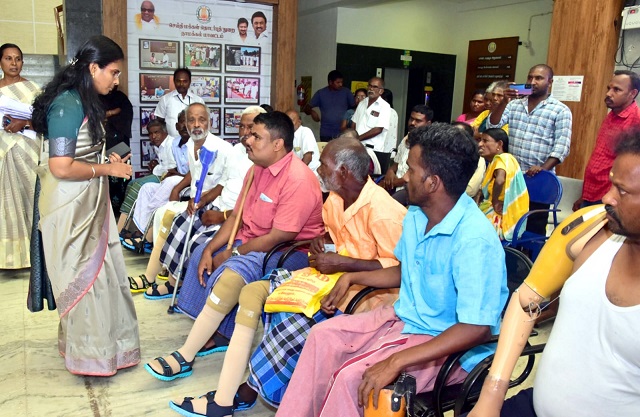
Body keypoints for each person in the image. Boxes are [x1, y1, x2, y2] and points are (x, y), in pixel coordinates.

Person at [276, 123, 507, 417]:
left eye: (411, 170)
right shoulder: (417, 215)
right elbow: (404, 271)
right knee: (322, 337)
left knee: (352, 379)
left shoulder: (474, 240)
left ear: (432, 183)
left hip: (451, 348)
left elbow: (476, 328)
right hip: (407, 319)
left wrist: (398, 360)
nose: (403, 177)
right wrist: (351, 277)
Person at [466, 131, 640, 417]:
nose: (607, 197)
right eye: (611, 183)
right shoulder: (586, 228)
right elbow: (526, 302)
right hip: (533, 407)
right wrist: (491, 395)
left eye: (622, 191)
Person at [243, 137, 407, 408]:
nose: (318, 170)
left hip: (369, 299)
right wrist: (322, 241)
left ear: (343, 172)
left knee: (293, 325)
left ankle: (260, 389)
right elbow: (337, 236)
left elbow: (398, 269)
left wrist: (344, 264)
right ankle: (286, 387)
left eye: (323, 165)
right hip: (335, 282)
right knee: (275, 301)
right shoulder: (335, 199)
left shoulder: (383, 212)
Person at [30, 35, 140, 376]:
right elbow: (61, 167)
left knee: (103, 276)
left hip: (89, 202)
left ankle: (104, 350)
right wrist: (107, 170)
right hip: (69, 207)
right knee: (85, 279)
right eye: (114, 72)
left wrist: (105, 160)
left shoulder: (84, 100)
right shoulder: (67, 105)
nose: (117, 80)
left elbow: (83, 152)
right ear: (93, 68)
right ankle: (89, 356)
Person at [139, 106, 262, 297]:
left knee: (195, 242)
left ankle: (185, 289)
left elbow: (254, 206)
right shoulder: (236, 151)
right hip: (218, 204)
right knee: (180, 223)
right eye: (241, 127)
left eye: (251, 128)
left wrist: (220, 216)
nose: (245, 132)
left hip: (233, 216)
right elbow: (223, 183)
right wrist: (203, 201)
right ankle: (172, 280)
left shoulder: (259, 158)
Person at [487, 64, 572, 236]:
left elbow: (562, 147)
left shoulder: (560, 110)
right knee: (509, 226)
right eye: (530, 77)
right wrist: (504, 101)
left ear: (550, 82)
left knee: (534, 229)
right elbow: (493, 125)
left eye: (538, 78)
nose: (533, 82)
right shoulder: (514, 105)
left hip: (540, 180)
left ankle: (531, 254)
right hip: (514, 177)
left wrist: (542, 169)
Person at [573, 70, 640, 210]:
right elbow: (601, 157)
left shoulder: (636, 121)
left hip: (611, 198)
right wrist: (584, 196)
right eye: (609, 88)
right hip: (591, 192)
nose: (609, 93)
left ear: (632, 93)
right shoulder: (612, 115)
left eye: (617, 90)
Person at [0, 43, 39, 269]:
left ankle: (36, 254)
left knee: (31, 199)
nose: (14, 63)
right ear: (0, 62)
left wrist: (23, 123)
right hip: (3, 150)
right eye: (8, 58)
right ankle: (12, 258)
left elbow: (44, 119)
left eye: (18, 59)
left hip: (28, 150)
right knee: (6, 203)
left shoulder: (34, 89)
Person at [477, 128, 529, 241]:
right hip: (493, 209)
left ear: (499, 144)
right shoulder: (494, 162)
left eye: (485, 141)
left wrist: (495, 202)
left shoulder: (504, 158)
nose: (480, 144)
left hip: (501, 215)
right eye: (480, 140)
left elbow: (500, 180)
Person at [382, 104, 433, 204]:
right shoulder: (406, 138)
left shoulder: (427, 146)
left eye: (418, 121)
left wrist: (387, 184)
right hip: (395, 188)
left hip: (410, 193)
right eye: (411, 119)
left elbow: (408, 179)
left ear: (428, 124)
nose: (412, 123)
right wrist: (390, 171)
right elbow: (396, 164)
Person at [100, 85, 133, 215]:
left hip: (120, 145)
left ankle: (121, 213)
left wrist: (107, 115)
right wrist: (111, 113)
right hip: (101, 145)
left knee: (120, 178)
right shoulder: (94, 98)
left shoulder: (121, 98)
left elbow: (126, 116)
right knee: (104, 177)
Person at [351, 76, 391, 173]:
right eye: (369, 86)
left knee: (369, 176)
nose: (371, 89)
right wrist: (352, 137)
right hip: (357, 147)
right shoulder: (362, 103)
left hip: (373, 151)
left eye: (375, 87)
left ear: (381, 91)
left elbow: (378, 129)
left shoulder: (384, 106)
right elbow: (354, 123)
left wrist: (358, 138)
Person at [304, 70, 356, 141]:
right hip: (326, 133)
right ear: (330, 82)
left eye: (341, 82)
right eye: (338, 82)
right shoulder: (320, 93)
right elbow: (306, 108)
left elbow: (355, 109)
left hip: (342, 132)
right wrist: (311, 112)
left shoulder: (346, 92)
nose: (341, 84)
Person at [155, 68, 204, 138]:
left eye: (185, 81)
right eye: (178, 81)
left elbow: (203, 122)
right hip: (171, 142)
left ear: (190, 82)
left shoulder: (198, 101)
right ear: (174, 81)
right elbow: (159, 122)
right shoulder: (165, 99)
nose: (181, 84)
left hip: (194, 142)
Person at [285, 109, 320, 175]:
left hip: (311, 173)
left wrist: (297, 173)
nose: (288, 124)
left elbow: (308, 157)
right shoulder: (288, 135)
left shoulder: (305, 132)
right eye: (286, 121)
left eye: (291, 120)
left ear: (299, 121)